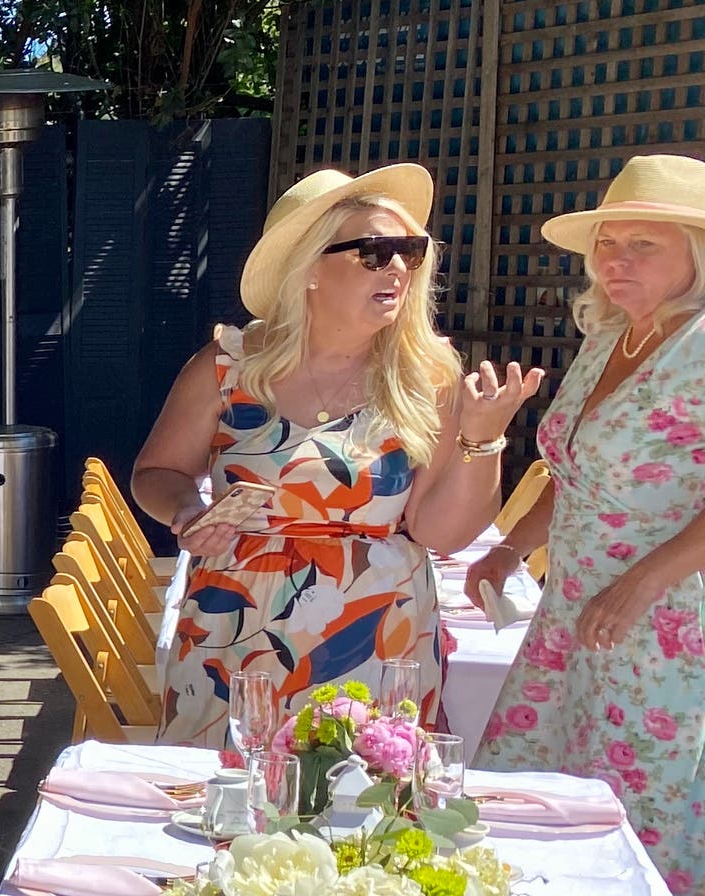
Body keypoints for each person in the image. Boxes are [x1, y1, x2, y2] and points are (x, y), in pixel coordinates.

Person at [130, 164, 542, 745]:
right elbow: (157, 472)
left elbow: (439, 534)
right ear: (310, 268)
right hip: (236, 631)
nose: (399, 268)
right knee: (221, 808)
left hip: (376, 638)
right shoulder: (228, 367)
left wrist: (483, 438)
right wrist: (186, 512)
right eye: (375, 251)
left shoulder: (429, 377)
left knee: (365, 817)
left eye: (409, 251)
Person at [465, 155, 705, 896]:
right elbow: (575, 476)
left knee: (644, 823)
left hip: (662, 624)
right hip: (573, 613)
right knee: (540, 806)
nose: (617, 260)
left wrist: (640, 583)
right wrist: (507, 549)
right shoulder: (610, 338)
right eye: (609, 243)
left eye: (646, 245)